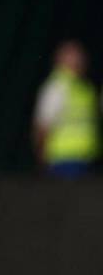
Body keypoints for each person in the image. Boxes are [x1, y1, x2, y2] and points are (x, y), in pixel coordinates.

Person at [33, 40, 99, 178]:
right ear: (59, 60)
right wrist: (41, 158)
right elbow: (42, 125)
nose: (79, 61)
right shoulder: (57, 87)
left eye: (80, 57)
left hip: (86, 158)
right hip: (62, 160)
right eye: (73, 57)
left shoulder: (84, 88)